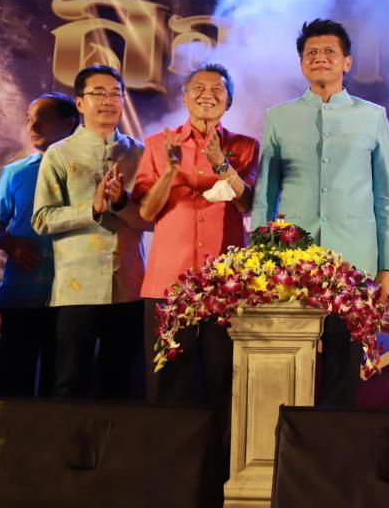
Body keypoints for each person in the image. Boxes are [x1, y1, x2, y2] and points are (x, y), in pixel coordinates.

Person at [252, 18, 389, 408]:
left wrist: (388, 267)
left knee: (343, 368)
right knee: (287, 363)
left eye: (329, 51)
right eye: (311, 52)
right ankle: (288, 441)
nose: (320, 58)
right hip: (291, 262)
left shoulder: (372, 116)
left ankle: (334, 445)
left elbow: (386, 198)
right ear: (302, 64)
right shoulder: (279, 117)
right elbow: (264, 197)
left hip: (355, 262)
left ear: (347, 62)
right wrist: (262, 262)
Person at [132, 62, 257, 493]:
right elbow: (146, 213)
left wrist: (222, 163)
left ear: (229, 100)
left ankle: (218, 485)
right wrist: (170, 171)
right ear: (184, 97)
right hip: (168, 286)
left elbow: (247, 205)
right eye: (199, 88)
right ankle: (166, 485)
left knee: (223, 387)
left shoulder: (244, 147)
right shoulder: (157, 144)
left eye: (218, 89)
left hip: (225, 289)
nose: (208, 94)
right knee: (168, 386)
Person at [33, 65, 145, 400]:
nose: (108, 101)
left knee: (121, 384)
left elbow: (152, 220)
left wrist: (122, 202)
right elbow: (42, 219)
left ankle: (115, 439)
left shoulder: (140, 153)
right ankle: (67, 438)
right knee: (70, 381)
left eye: (115, 94)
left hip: (128, 287)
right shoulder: (60, 153)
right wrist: (92, 209)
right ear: (80, 103)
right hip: (76, 288)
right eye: (98, 93)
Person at [0, 92, 79, 397]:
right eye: (29, 118)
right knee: (15, 380)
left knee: (61, 384)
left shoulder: (84, 172)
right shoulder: (15, 172)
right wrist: (10, 243)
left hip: (70, 295)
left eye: (43, 118)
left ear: (69, 124)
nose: (33, 125)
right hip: (22, 292)